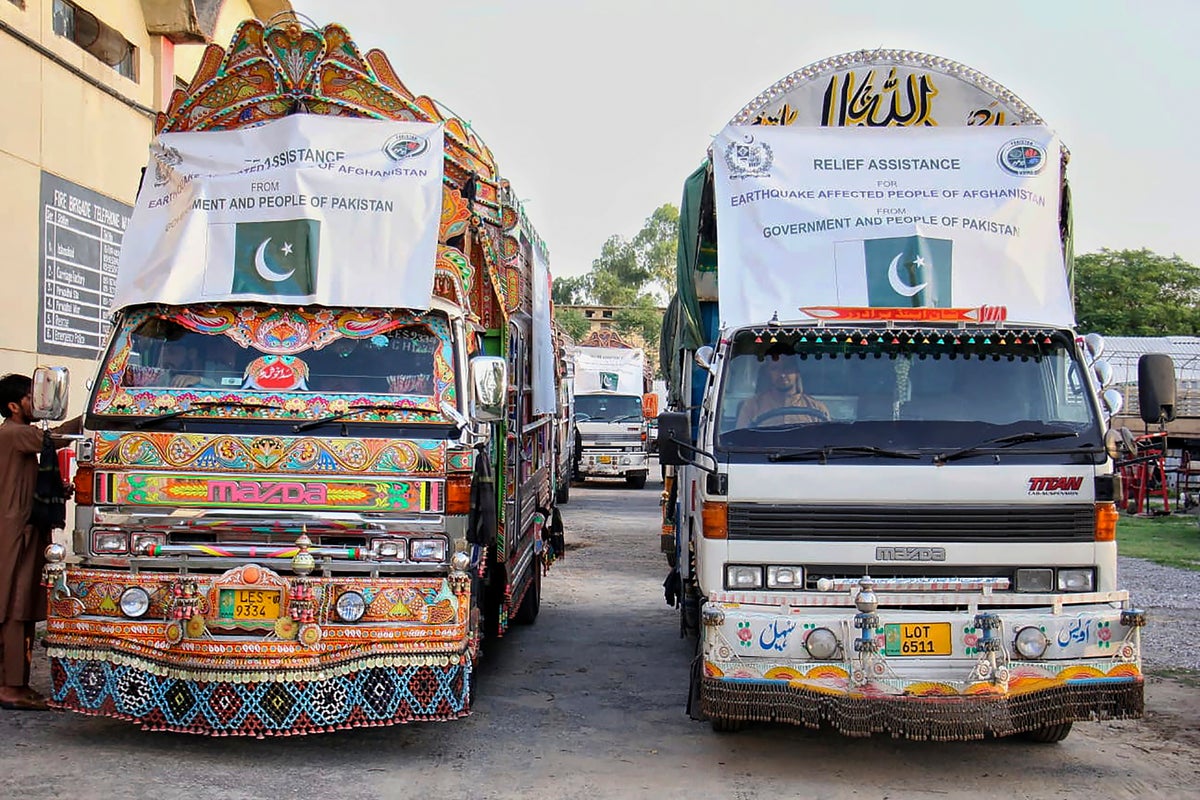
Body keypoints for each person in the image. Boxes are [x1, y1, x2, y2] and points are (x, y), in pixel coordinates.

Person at [0, 374, 80, 710]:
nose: (38, 403)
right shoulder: (15, 433)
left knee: (25, 605)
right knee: (15, 607)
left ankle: (16, 683)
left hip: (27, 529)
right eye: (32, 398)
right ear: (14, 406)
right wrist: (90, 417)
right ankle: (10, 687)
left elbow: (31, 478)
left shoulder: (18, 438)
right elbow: (54, 440)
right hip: (17, 533)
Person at [736, 352, 829, 427]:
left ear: (797, 371)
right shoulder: (751, 406)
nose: (782, 374)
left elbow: (827, 443)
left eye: (787, 368)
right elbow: (740, 442)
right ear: (767, 373)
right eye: (775, 368)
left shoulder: (817, 408)